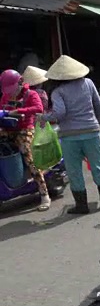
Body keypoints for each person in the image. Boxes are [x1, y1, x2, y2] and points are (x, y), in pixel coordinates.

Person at [40, 56, 100, 214]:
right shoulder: (88, 83)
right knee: (98, 166)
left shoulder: (58, 91)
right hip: (91, 131)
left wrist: (43, 117)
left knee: (74, 170)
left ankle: (82, 206)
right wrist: (97, 123)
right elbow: (99, 105)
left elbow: (60, 113)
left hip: (70, 136)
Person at [0, 69, 49, 211]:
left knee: (27, 155)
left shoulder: (31, 94)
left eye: (11, 88)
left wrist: (18, 111)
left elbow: (38, 108)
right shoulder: (5, 96)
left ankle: (44, 193)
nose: (9, 92)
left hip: (25, 129)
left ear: (20, 82)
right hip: (8, 129)